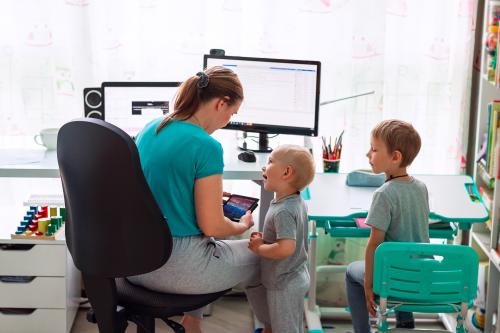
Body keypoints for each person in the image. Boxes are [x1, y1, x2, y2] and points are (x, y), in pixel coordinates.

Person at [127, 66, 260, 333]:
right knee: (267, 254)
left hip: (132, 260)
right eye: (231, 114)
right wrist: (242, 225)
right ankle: (271, 327)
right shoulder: (207, 146)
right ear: (221, 103)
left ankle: (193, 324)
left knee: (210, 238)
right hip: (174, 267)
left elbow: (157, 187)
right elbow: (213, 228)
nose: (227, 122)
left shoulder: (152, 127)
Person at [345, 119, 430, 333]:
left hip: (393, 278)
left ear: (395, 156)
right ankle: (405, 326)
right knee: (404, 258)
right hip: (418, 275)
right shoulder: (421, 188)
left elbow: (374, 245)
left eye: (374, 149)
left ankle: (362, 331)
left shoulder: (384, 194)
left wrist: (368, 286)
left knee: (351, 272)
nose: (368, 154)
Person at [246, 144, 315, 333]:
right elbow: (286, 237)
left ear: (286, 172)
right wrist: (266, 240)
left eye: (269, 162)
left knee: (286, 328)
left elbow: (285, 248)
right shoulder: (295, 201)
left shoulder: (283, 210)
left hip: (283, 282)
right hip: (293, 275)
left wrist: (260, 248)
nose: (263, 167)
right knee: (280, 324)